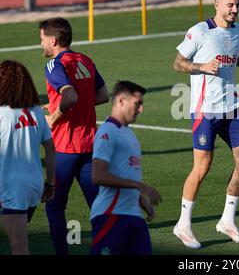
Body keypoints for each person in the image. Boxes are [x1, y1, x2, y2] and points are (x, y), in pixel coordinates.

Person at [172, 0, 239, 248]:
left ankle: (227, 221)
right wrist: (201, 67)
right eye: (230, 5)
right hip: (204, 110)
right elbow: (178, 63)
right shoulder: (200, 31)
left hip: (231, 108)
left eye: (237, 5)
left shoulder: (238, 30)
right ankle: (183, 224)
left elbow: (230, 55)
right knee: (202, 167)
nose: (235, 9)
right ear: (217, 6)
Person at [39, 17, 110, 254]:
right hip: (89, 146)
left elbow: (70, 96)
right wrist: (62, 104)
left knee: (54, 205)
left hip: (64, 149)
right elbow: (102, 96)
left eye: (42, 40)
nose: (41, 45)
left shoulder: (54, 66)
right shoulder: (85, 60)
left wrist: (54, 116)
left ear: (53, 40)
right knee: (98, 205)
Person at [90, 81, 161, 255]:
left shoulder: (128, 133)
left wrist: (140, 200)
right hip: (111, 216)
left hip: (133, 216)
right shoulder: (107, 131)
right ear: (121, 101)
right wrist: (140, 187)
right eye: (137, 104)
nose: (141, 109)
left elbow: (122, 172)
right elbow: (98, 175)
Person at [0, 60, 56, 255]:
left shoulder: (1, 114)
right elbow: (50, 148)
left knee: (19, 248)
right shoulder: (35, 112)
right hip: (34, 186)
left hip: (11, 187)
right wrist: (50, 183)